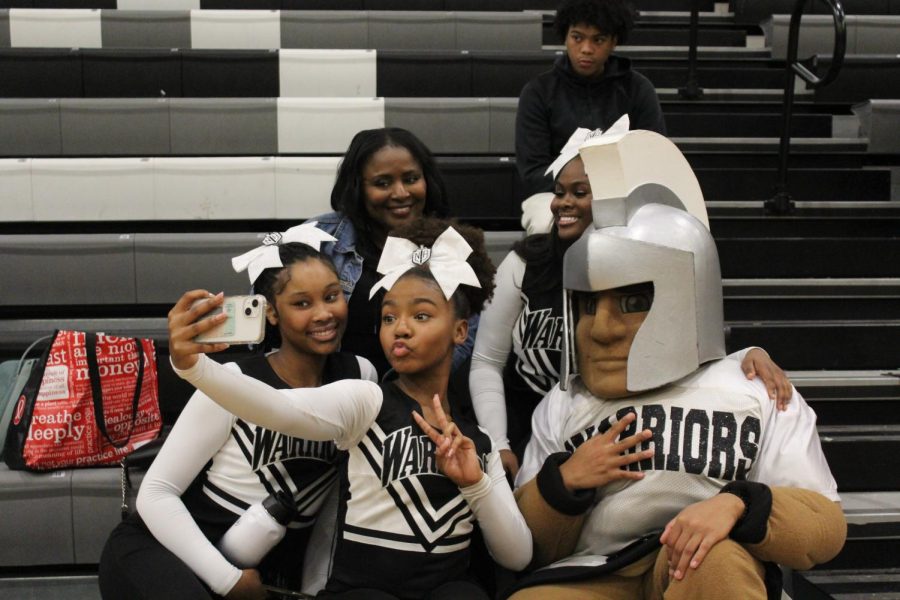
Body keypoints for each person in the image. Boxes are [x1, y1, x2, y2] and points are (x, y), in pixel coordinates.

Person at [507, 185, 846, 598]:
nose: (601, 330)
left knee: (716, 561)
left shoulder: (755, 387)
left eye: (633, 301)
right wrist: (564, 483)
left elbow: (824, 526)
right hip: (593, 573)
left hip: (701, 563)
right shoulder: (563, 402)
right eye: (589, 305)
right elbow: (526, 549)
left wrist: (738, 505)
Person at [168, 218, 533, 600]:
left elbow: (518, 554)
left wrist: (476, 484)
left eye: (420, 315)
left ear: (461, 331)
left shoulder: (480, 441)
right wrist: (194, 367)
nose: (401, 328)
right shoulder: (367, 399)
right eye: (389, 317)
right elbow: (276, 406)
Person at [471, 129, 793, 478]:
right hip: (527, 432)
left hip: (614, 427)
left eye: (580, 193)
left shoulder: (657, 264)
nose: (563, 202)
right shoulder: (525, 263)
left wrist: (744, 357)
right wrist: (498, 442)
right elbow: (486, 360)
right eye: (559, 192)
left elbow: (690, 351)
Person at [98, 223, 377, 600]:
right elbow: (156, 494)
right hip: (168, 551)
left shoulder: (360, 374)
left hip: (257, 559)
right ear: (272, 314)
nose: (324, 314)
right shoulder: (232, 380)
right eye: (302, 303)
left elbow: (336, 499)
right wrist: (226, 580)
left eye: (332, 296)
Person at [310, 127, 477, 380]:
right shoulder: (319, 239)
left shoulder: (451, 244)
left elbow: (468, 336)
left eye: (411, 179)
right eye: (382, 183)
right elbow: (271, 309)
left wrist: (401, 391)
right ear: (357, 186)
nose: (400, 193)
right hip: (334, 397)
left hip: (416, 397)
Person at [516, 0, 666, 196]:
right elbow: (533, 172)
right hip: (555, 194)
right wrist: (581, 189)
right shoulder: (538, 92)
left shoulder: (638, 89)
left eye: (598, 40)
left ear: (614, 41)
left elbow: (654, 159)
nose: (586, 49)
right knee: (542, 219)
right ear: (565, 38)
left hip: (622, 193)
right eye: (577, 38)